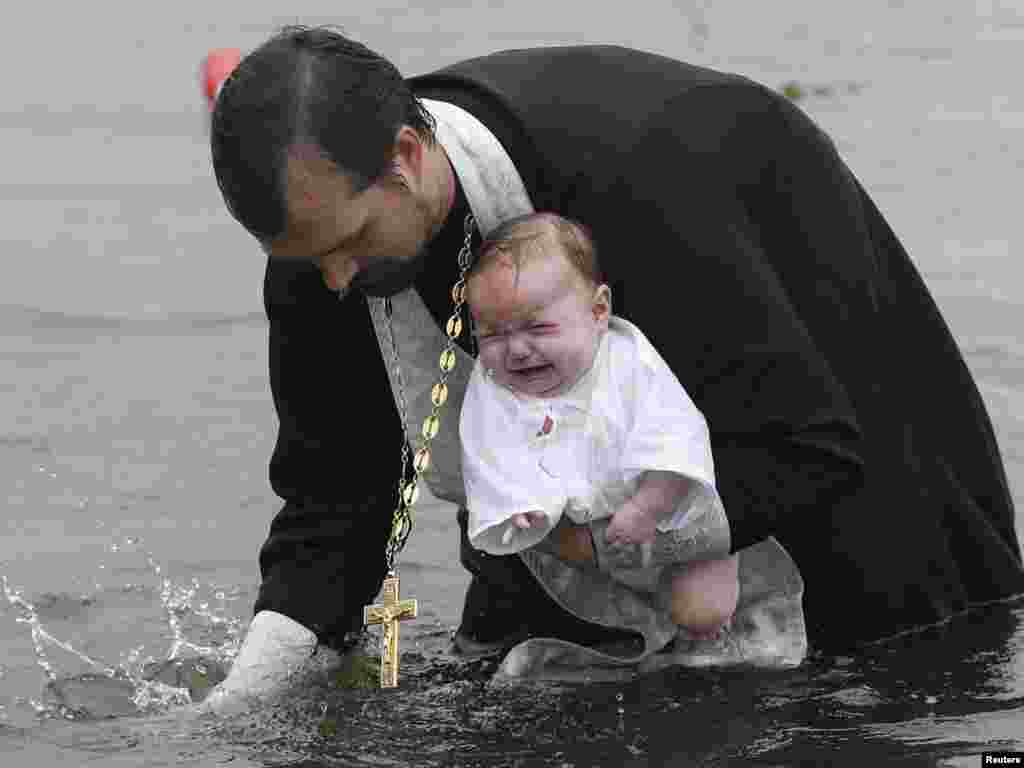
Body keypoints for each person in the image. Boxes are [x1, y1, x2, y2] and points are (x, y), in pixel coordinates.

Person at [199, 25, 1024, 710]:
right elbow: (335, 504)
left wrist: (603, 548)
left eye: (345, 247)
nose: (334, 282)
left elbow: (806, 448)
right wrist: (240, 703)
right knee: (507, 700)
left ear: (407, 155)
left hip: (799, 320)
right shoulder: (319, 248)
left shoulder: (642, 179)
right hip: (581, 509)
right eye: (307, 260)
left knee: (907, 665)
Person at [460, 211, 739, 636]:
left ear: (598, 311)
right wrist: (515, 503)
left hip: (669, 512)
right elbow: (489, 450)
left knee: (703, 612)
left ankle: (708, 613)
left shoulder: (629, 364)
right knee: (600, 617)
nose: (516, 350)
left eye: (538, 328)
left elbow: (677, 438)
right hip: (586, 532)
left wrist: (647, 507)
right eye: (493, 335)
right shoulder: (493, 384)